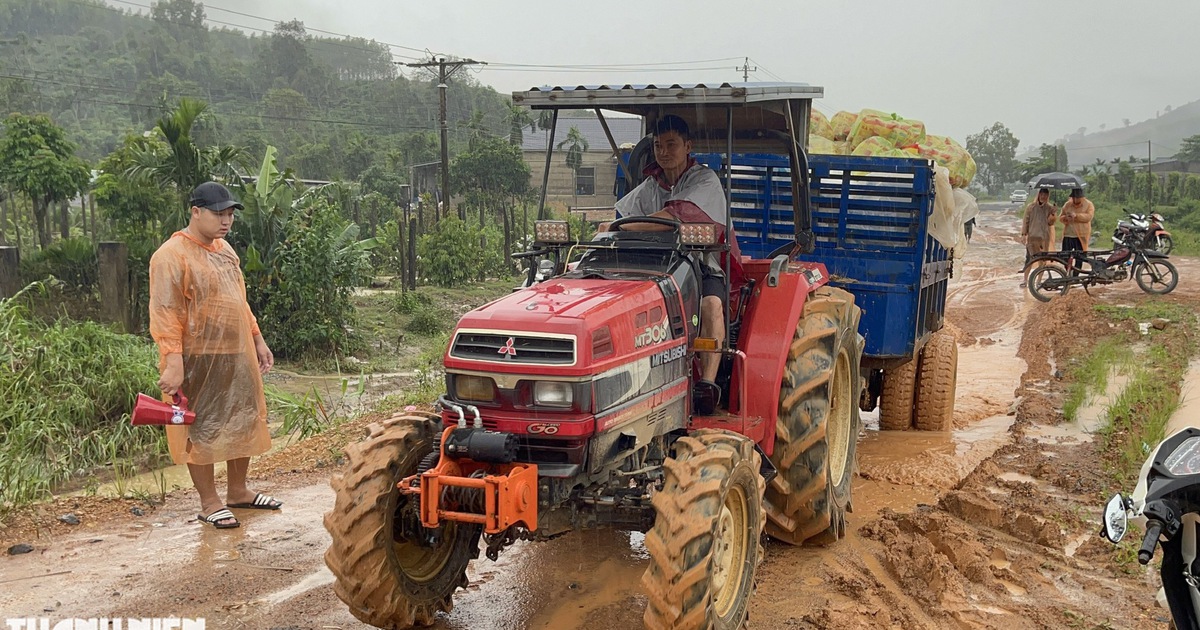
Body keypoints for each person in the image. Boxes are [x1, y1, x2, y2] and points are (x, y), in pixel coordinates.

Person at [149, 182, 280, 530]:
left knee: (243, 417)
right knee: (201, 426)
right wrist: (173, 360)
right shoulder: (170, 255)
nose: (226, 221)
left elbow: (239, 300)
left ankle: (239, 491)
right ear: (196, 212)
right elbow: (166, 311)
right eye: (218, 214)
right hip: (197, 355)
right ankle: (209, 502)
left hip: (235, 350)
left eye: (230, 214)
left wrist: (257, 339)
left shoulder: (225, 251)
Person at [606, 114, 741, 414]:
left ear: (688, 146)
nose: (664, 152)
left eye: (671, 145)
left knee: (710, 306)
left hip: (700, 267)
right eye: (658, 146)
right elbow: (620, 217)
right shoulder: (651, 185)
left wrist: (624, 227)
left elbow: (674, 218)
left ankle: (706, 384)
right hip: (656, 270)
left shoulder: (704, 180)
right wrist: (611, 227)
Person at [1020, 188, 1058, 283]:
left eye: (1045, 195)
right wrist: (1024, 234)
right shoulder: (1031, 207)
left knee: (1042, 260)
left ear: (1047, 196)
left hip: (1044, 239)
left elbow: (1050, 223)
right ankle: (1025, 280)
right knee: (1029, 259)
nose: (1043, 197)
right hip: (1032, 238)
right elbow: (1026, 221)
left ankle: (1038, 281)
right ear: (1039, 195)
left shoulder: (1049, 208)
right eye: (1042, 194)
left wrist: (1053, 214)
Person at [1060, 188, 1094, 252]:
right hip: (1068, 234)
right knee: (1065, 256)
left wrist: (1076, 216)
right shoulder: (1067, 204)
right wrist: (1066, 218)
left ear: (1082, 197)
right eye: (1074, 197)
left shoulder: (1088, 204)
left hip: (1081, 235)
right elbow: (1061, 217)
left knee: (1080, 257)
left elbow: (1089, 217)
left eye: (1077, 197)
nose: (1075, 199)